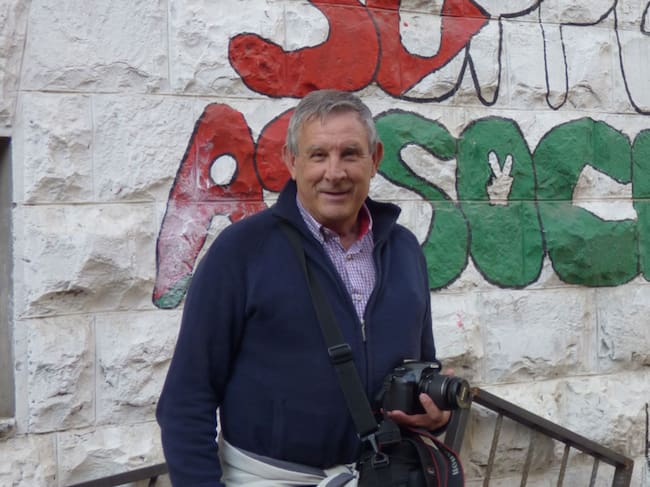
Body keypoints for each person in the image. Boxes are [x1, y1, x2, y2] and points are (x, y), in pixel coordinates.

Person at [156, 89, 450, 486]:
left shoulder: (404, 250)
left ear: (375, 159)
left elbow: (422, 367)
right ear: (292, 162)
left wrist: (434, 415)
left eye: (350, 154)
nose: (334, 172)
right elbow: (186, 399)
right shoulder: (240, 252)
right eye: (318, 155)